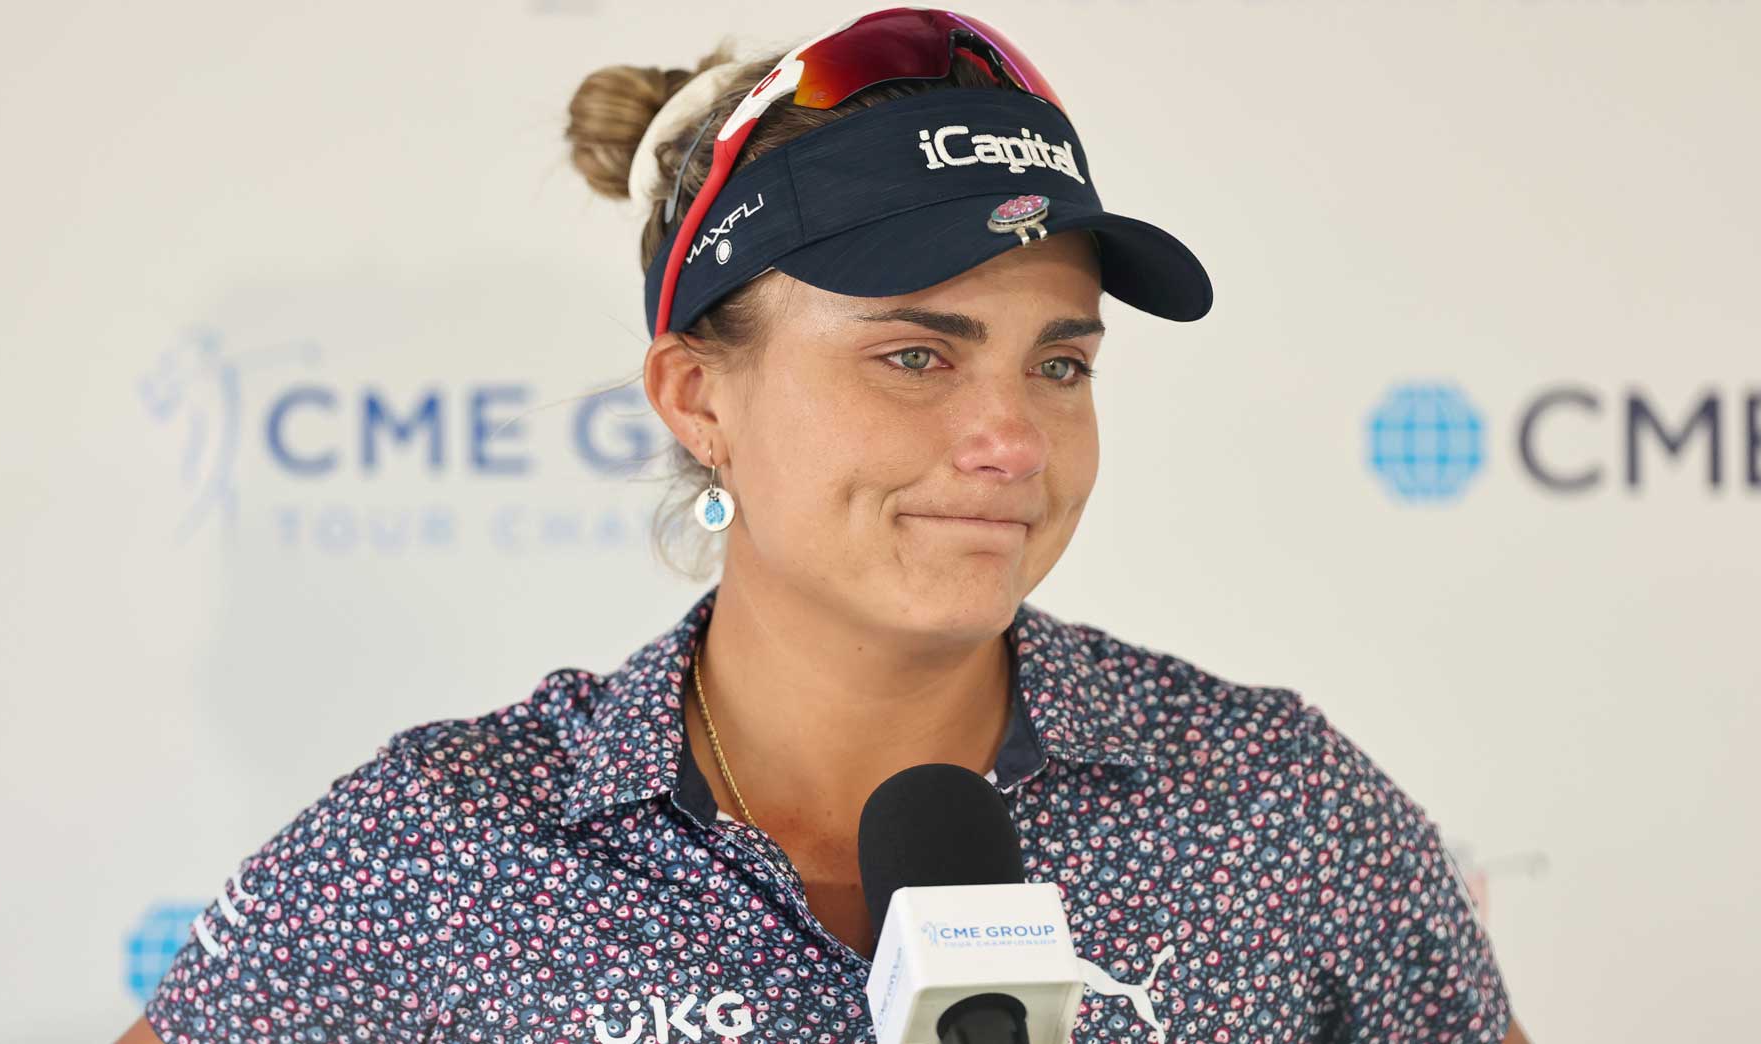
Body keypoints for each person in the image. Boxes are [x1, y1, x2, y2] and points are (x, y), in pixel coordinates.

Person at [120, 8, 1531, 1043]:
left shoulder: (1275, 805)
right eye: (915, 355)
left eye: (1060, 363)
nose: (1008, 441)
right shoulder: (439, 852)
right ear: (697, 397)